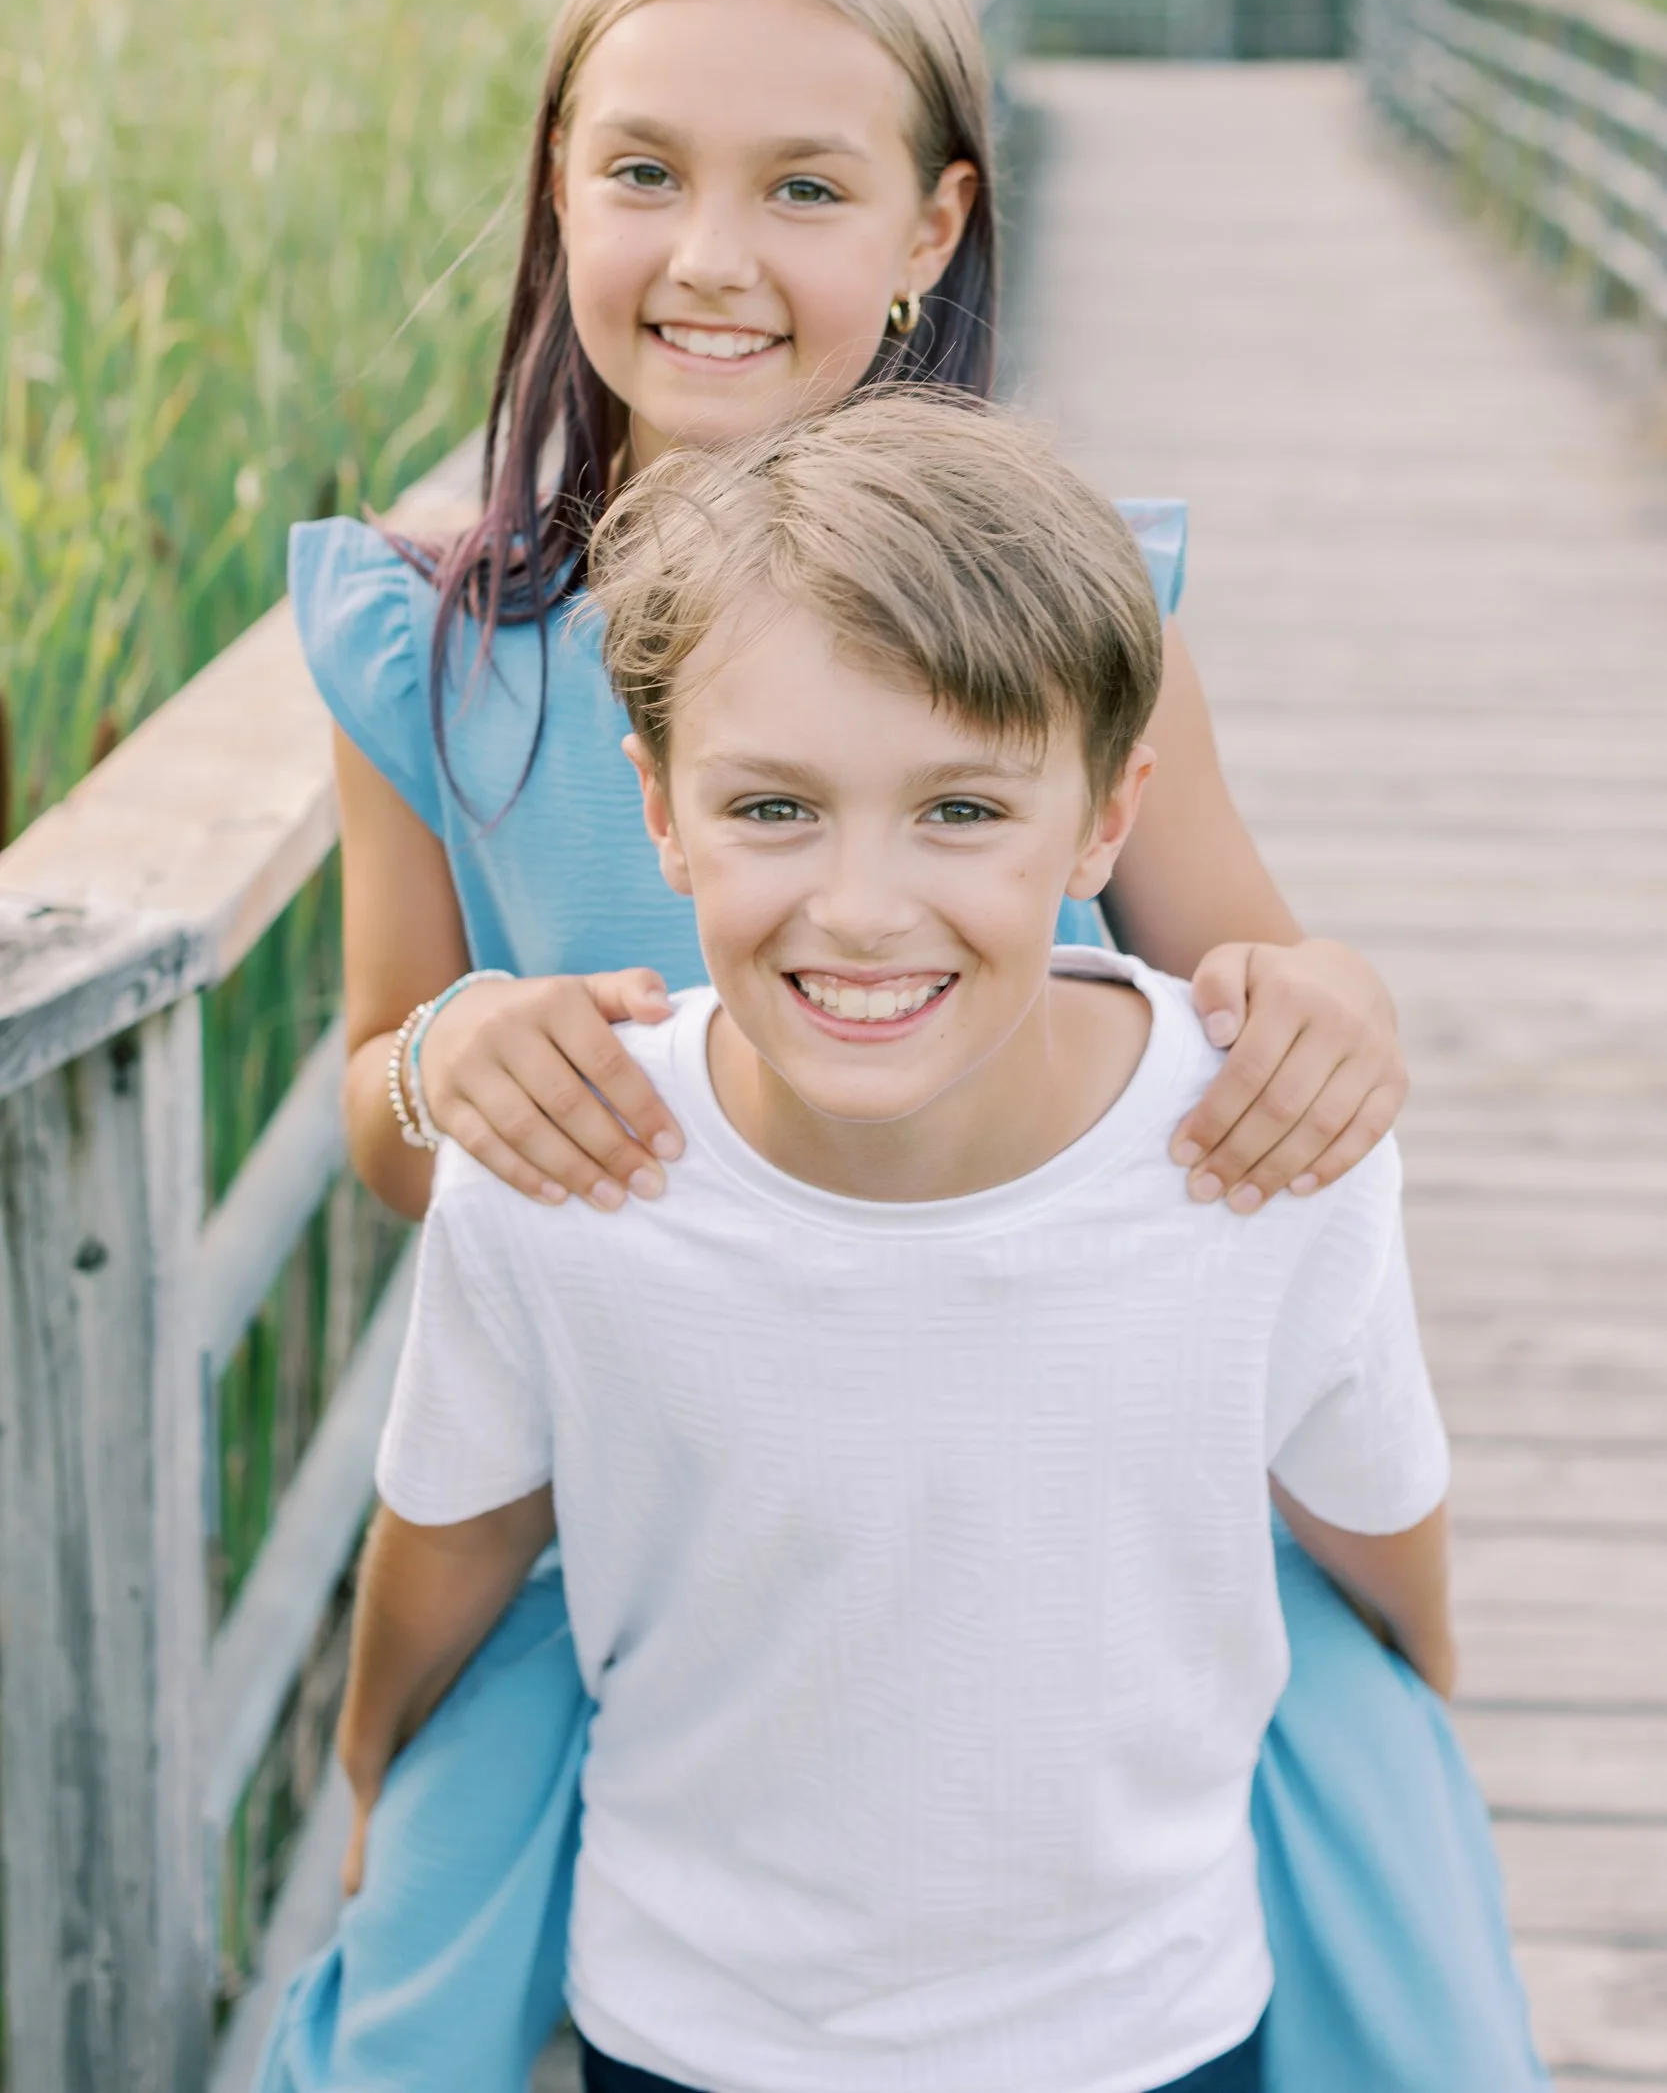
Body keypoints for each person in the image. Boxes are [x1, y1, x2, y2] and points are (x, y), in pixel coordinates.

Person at [265, 0, 1544, 2090]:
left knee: (1377, 1885)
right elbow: (385, 1107)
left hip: (1035, 1430)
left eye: (804, 187)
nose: (713, 255)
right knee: (420, 1964)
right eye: (640, 171)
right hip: (664, 1460)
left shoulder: (1067, 610)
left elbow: (1241, 946)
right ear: (553, 185)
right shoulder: (435, 646)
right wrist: (456, 1051)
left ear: (932, 230)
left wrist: (1331, 998)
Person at [344, 399, 1456, 2093]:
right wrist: (373, 1787)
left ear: (1105, 822)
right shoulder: (557, 1166)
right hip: (695, 2028)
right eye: (774, 809)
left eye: (959, 812)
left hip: (1149, 2024)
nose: (862, 906)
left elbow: (1387, 1556)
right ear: (658, 810)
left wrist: (1420, 1792)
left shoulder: (1263, 1154)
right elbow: (444, 1552)